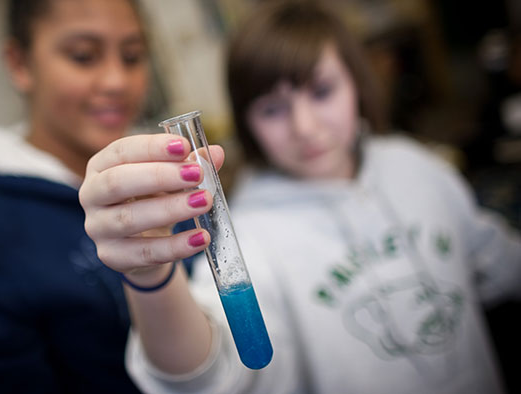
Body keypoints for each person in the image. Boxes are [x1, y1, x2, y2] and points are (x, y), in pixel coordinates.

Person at [78, 0, 521, 393]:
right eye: (272, 108)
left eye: (322, 91)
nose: (305, 127)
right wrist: (149, 277)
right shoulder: (252, 233)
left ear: (358, 82)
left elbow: (498, 264)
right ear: (246, 121)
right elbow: (208, 376)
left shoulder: (417, 166)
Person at [0, 0, 152, 392]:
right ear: (19, 64)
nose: (117, 81)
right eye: (83, 56)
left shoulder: (150, 182)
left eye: (132, 56)